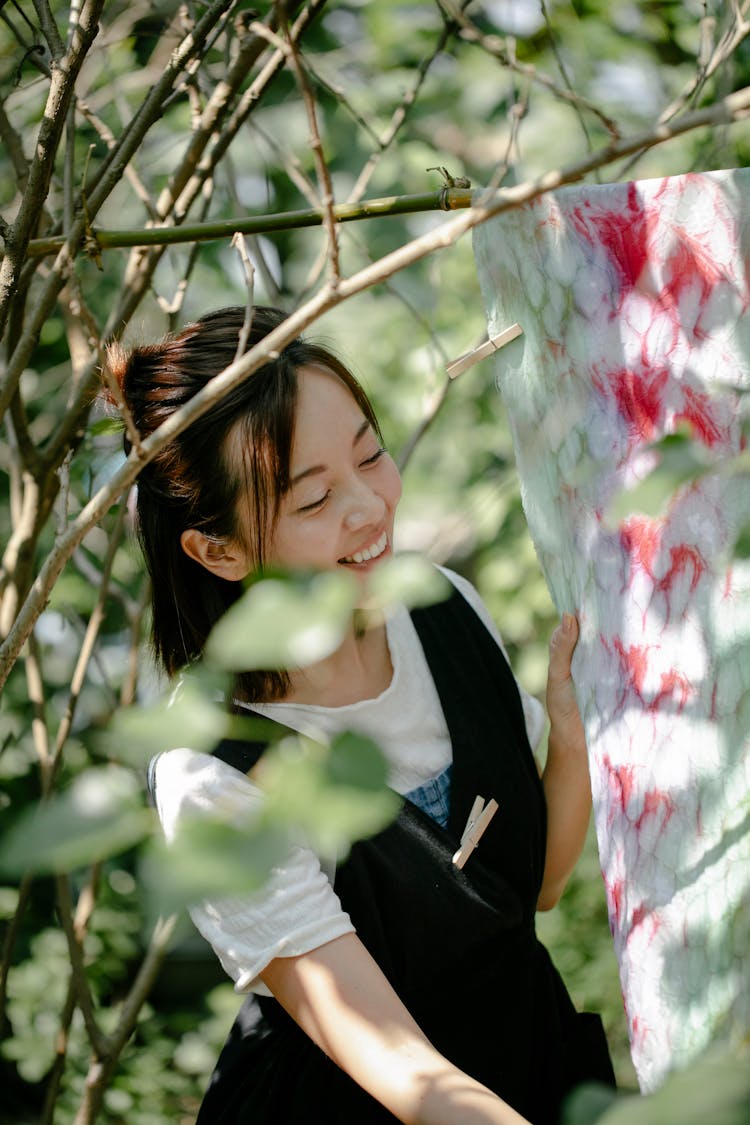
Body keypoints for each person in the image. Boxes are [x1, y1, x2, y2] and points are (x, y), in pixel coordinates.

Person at [107, 306, 615, 1125]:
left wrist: (571, 733)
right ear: (220, 550)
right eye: (313, 500)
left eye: (370, 454)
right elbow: (398, 1065)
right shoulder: (214, 771)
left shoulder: (442, 607)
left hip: (529, 1064)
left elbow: (539, 886)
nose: (370, 508)